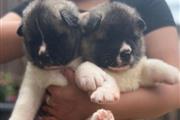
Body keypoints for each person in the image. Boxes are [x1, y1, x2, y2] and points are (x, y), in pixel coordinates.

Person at [0, 0, 179, 119]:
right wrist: (43, 23)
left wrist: (87, 106)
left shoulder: (146, 3)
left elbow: (176, 89)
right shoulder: (44, 5)